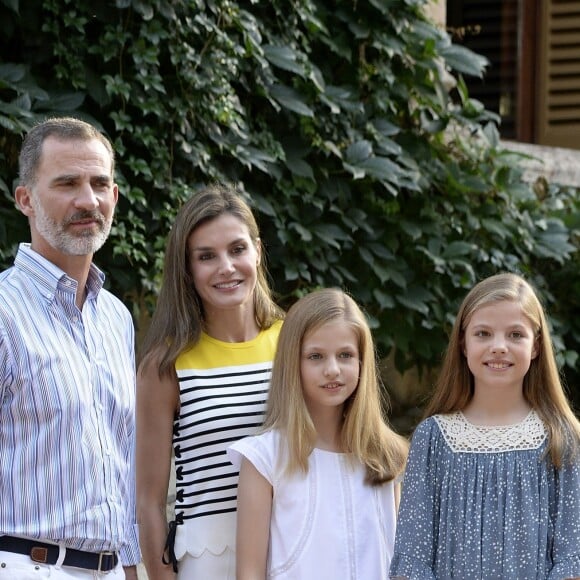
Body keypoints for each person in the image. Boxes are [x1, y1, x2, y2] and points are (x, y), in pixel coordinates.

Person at [0, 117, 140, 578]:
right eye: (67, 183)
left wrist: (133, 566)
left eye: (100, 183)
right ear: (25, 199)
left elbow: (124, 460)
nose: (88, 200)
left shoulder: (116, 319)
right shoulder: (3, 311)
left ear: (115, 197)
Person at [390, 272, 580, 580]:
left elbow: (573, 560)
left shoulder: (562, 439)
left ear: (536, 346)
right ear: (463, 344)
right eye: (483, 333)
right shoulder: (432, 439)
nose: (499, 346)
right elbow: (412, 559)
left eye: (516, 335)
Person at [136, 184, 284, 579]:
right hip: (208, 561)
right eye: (206, 256)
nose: (226, 267)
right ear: (187, 268)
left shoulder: (295, 344)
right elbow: (148, 503)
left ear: (257, 249)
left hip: (292, 551)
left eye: (237, 249)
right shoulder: (165, 365)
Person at [228, 287, 409, 579]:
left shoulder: (389, 456)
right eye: (316, 356)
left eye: (345, 355)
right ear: (292, 362)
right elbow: (249, 572)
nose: (332, 369)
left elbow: (401, 562)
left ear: (362, 361)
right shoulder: (264, 459)